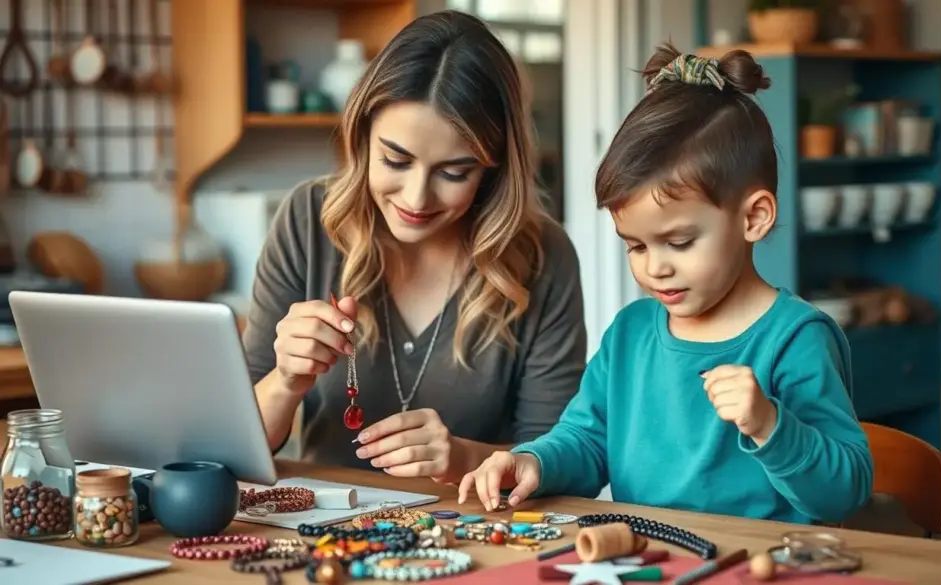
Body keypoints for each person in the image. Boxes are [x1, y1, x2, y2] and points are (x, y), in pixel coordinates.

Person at [458, 45, 874, 525]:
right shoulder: (631, 333)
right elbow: (589, 440)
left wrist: (770, 424)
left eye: (679, 242)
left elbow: (846, 490)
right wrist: (534, 461)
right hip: (647, 559)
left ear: (754, 217)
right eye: (636, 246)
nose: (655, 268)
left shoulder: (796, 339)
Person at [242, 10, 587, 485]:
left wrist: (464, 459)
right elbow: (237, 450)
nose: (416, 198)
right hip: (317, 534)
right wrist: (285, 380)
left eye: (454, 172)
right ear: (362, 136)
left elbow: (561, 460)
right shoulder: (308, 220)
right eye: (395, 160)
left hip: (474, 538)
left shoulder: (544, 257)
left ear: (494, 167)